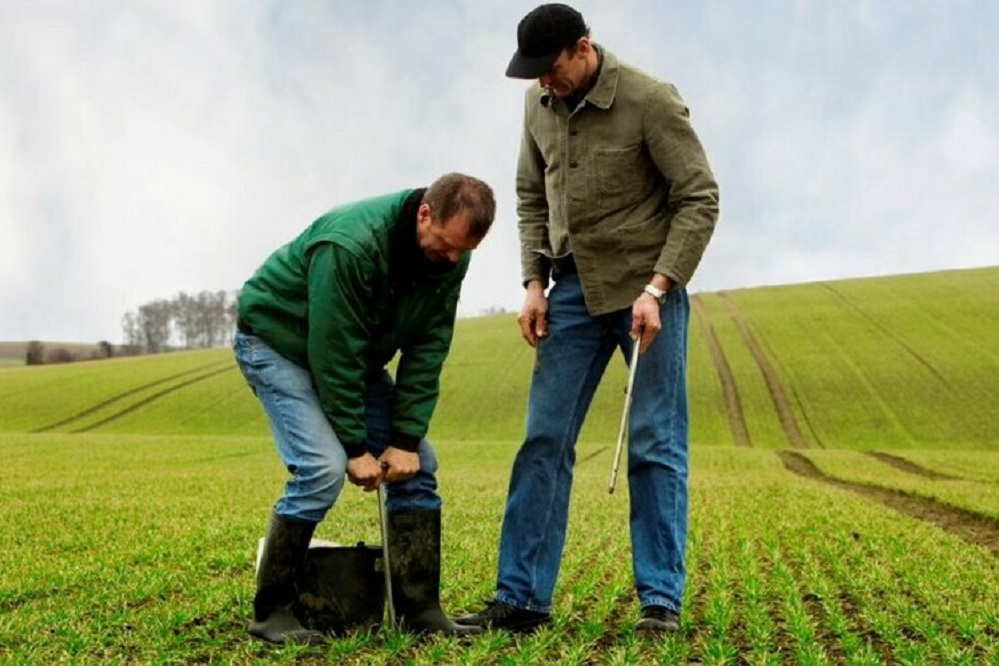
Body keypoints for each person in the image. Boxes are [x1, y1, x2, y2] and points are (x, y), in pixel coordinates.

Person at [459, 4, 719, 635]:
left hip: (644, 295)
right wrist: (532, 283)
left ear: (582, 48)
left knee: (655, 443)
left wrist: (660, 285)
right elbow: (528, 194)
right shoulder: (538, 106)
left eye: (550, 69)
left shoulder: (650, 100)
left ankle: (660, 599)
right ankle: (520, 600)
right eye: (534, 76)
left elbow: (699, 197)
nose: (544, 83)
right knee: (542, 441)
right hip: (570, 291)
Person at [234, 172, 495, 643]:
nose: (453, 259)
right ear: (424, 214)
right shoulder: (350, 246)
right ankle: (272, 612)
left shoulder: (450, 257)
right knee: (323, 467)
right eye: (445, 245)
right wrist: (356, 448)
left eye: (463, 251)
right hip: (277, 344)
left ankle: (418, 609)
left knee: (422, 464)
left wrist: (403, 440)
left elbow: (428, 347)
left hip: (350, 357)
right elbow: (333, 353)